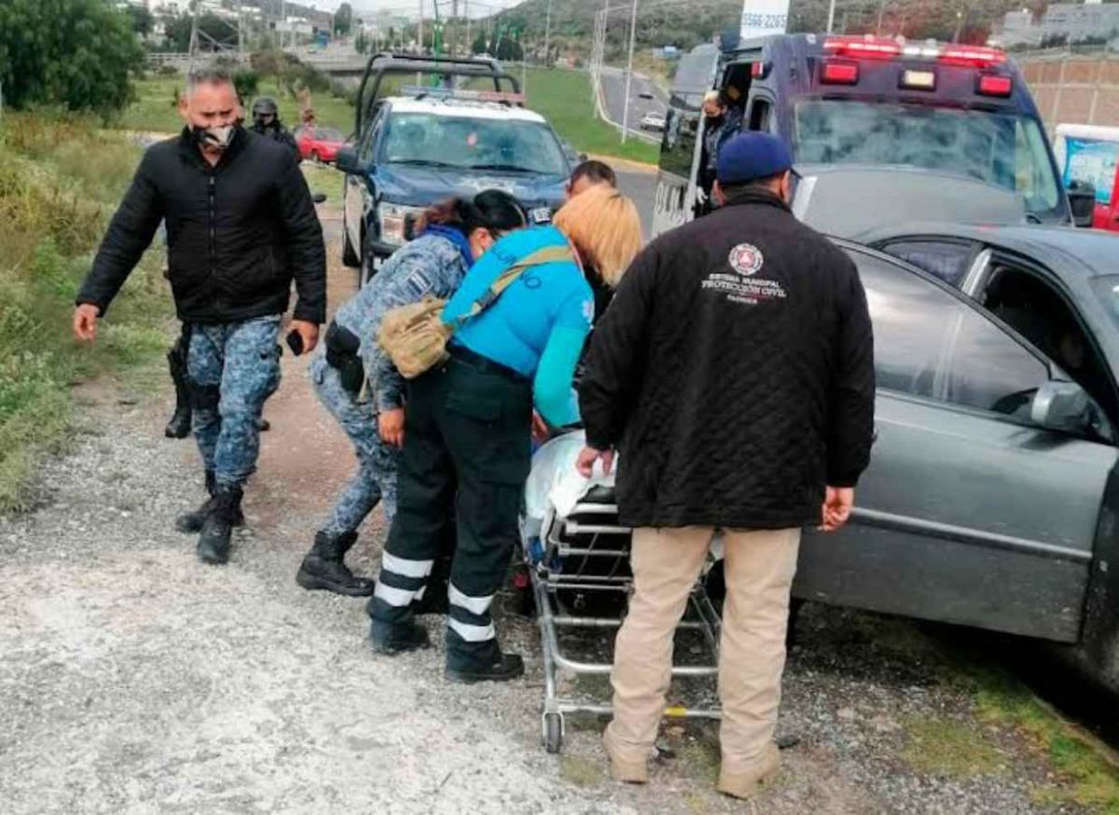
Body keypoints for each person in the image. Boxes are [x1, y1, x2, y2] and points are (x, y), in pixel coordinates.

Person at [577, 132, 875, 798]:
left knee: (652, 608)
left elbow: (609, 357)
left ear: (715, 189)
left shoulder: (668, 253)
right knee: (757, 619)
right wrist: (842, 472)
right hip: (778, 473)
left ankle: (628, 747)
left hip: (671, 464)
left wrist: (600, 431)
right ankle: (743, 762)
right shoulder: (827, 267)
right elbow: (852, 383)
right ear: (783, 183)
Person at [366, 185, 643, 683]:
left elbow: (462, 311)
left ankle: (389, 618)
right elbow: (555, 392)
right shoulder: (576, 293)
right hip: (489, 403)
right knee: (485, 523)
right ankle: (470, 649)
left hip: (435, 378)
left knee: (422, 501)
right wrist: (596, 424)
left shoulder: (521, 242)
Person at [73, 65, 326, 565]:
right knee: (205, 408)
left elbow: (305, 235)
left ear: (240, 107)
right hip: (197, 313)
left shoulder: (273, 161)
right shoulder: (161, 164)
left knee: (239, 407)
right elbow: (128, 233)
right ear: (184, 111)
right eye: (208, 114)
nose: (220, 122)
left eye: (228, 112)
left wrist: (309, 309)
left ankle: (224, 506)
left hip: (256, 310)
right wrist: (92, 297)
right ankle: (219, 494)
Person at [295, 191, 528, 597]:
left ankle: (324, 554)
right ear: (485, 238)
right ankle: (405, 587)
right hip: (353, 377)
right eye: (513, 244)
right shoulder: (435, 260)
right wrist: (389, 407)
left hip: (367, 376)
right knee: (401, 476)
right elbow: (377, 335)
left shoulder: (467, 263)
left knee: (378, 465)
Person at [697, 90, 743, 215]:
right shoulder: (709, 126)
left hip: (723, 181)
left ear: (723, 109)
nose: (709, 116)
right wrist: (700, 183)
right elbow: (704, 155)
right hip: (709, 178)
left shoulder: (735, 129)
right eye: (707, 113)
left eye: (712, 113)